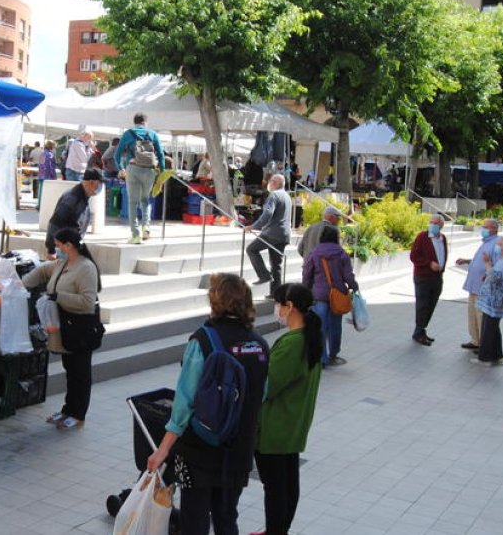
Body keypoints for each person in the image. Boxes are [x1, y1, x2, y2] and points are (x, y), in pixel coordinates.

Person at [145, 273, 269, 535]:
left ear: (215, 301)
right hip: (239, 450)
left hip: (199, 449)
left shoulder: (203, 340)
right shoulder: (259, 345)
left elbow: (184, 402)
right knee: (226, 517)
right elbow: (262, 394)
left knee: (195, 518)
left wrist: (162, 450)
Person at [254, 283, 323, 535]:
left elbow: (266, 386)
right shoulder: (312, 337)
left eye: (278, 303)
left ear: (290, 306)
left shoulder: (293, 344)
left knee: (275, 489)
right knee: (288, 486)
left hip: (275, 428)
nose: (276, 309)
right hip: (293, 424)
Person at [22, 227, 102, 430]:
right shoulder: (62, 263)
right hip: (65, 328)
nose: (55, 249)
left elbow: (87, 301)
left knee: (80, 373)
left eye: (58, 245)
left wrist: (58, 297)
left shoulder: (86, 268)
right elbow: (42, 271)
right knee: (70, 370)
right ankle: (68, 409)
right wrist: (20, 284)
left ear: (69, 245)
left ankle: (78, 414)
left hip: (80, 329)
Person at [302, 225, 357, 366]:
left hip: (319, 295)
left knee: (320, 326)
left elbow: (307, 274)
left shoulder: (314, 253)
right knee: (335, 326)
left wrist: (306, 290)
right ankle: (333, 354)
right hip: (337, 295)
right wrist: (354, 286)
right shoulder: (342, 253)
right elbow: (348, 276)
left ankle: (321, 358)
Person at [115, 112, 165, 244]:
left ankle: (136, 235)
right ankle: (146, 226)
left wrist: (121, 168)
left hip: (133, 168)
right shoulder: (153, 134)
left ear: (135, 122)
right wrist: (162, 173)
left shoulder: (128, 134)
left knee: (132, 202)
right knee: (145, 199)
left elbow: (117, 154)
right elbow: (160, 154)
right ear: (145, 122)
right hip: (149, 170)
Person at [454, 218, 500, 351]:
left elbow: (497, 265)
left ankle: (484, 345)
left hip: (484, 288)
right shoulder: (485, 242)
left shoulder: (496, 244)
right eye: (483, 226)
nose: (483, 229)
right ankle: (475, 340)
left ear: (494, 229)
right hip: (474, 286)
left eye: (486, 227)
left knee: (481, 317)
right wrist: (467, 261)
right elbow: (481, 260)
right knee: (472, 315)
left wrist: (489, 275)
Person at [472, 235, 503, 366]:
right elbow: (494, 274)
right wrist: (487, 274)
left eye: (500, 243)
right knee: (493, 329)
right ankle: (497, 356)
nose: (497, 246)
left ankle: (485, 358)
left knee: (488, 329)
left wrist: (487, 264)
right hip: (493, 301)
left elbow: (496, 277)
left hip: (497, 302)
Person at [245, 174, 292, 298]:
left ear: (276, 183)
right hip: (284, 234)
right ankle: (276, 293)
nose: (268, 183)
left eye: (270, 181)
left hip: (273, 233)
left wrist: (253, 226)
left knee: (251, 249)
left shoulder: (274, 195)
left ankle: (264, 276)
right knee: (276, 265)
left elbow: (268, 214)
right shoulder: (287, 196)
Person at [44, 168, 102, 259]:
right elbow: (54, 223)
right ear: (91, 183)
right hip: (64, 249)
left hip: (73, 247)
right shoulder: (73, 199)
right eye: (99, 184)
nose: (100, 187)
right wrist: (51, 250)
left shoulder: (83, 197)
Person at [409, 213, 448, 345]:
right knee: (422, 305)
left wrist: (441, 268)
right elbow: (413, 256)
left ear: (441, 225)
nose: (432, 225)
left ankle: (420, 330)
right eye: (431, 222)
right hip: (423, 277)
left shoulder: (443, 238)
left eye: (435, 223)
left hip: (437, 277)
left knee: (431, 305)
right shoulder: (422, 237)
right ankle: (419, 333)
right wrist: (429, 263)